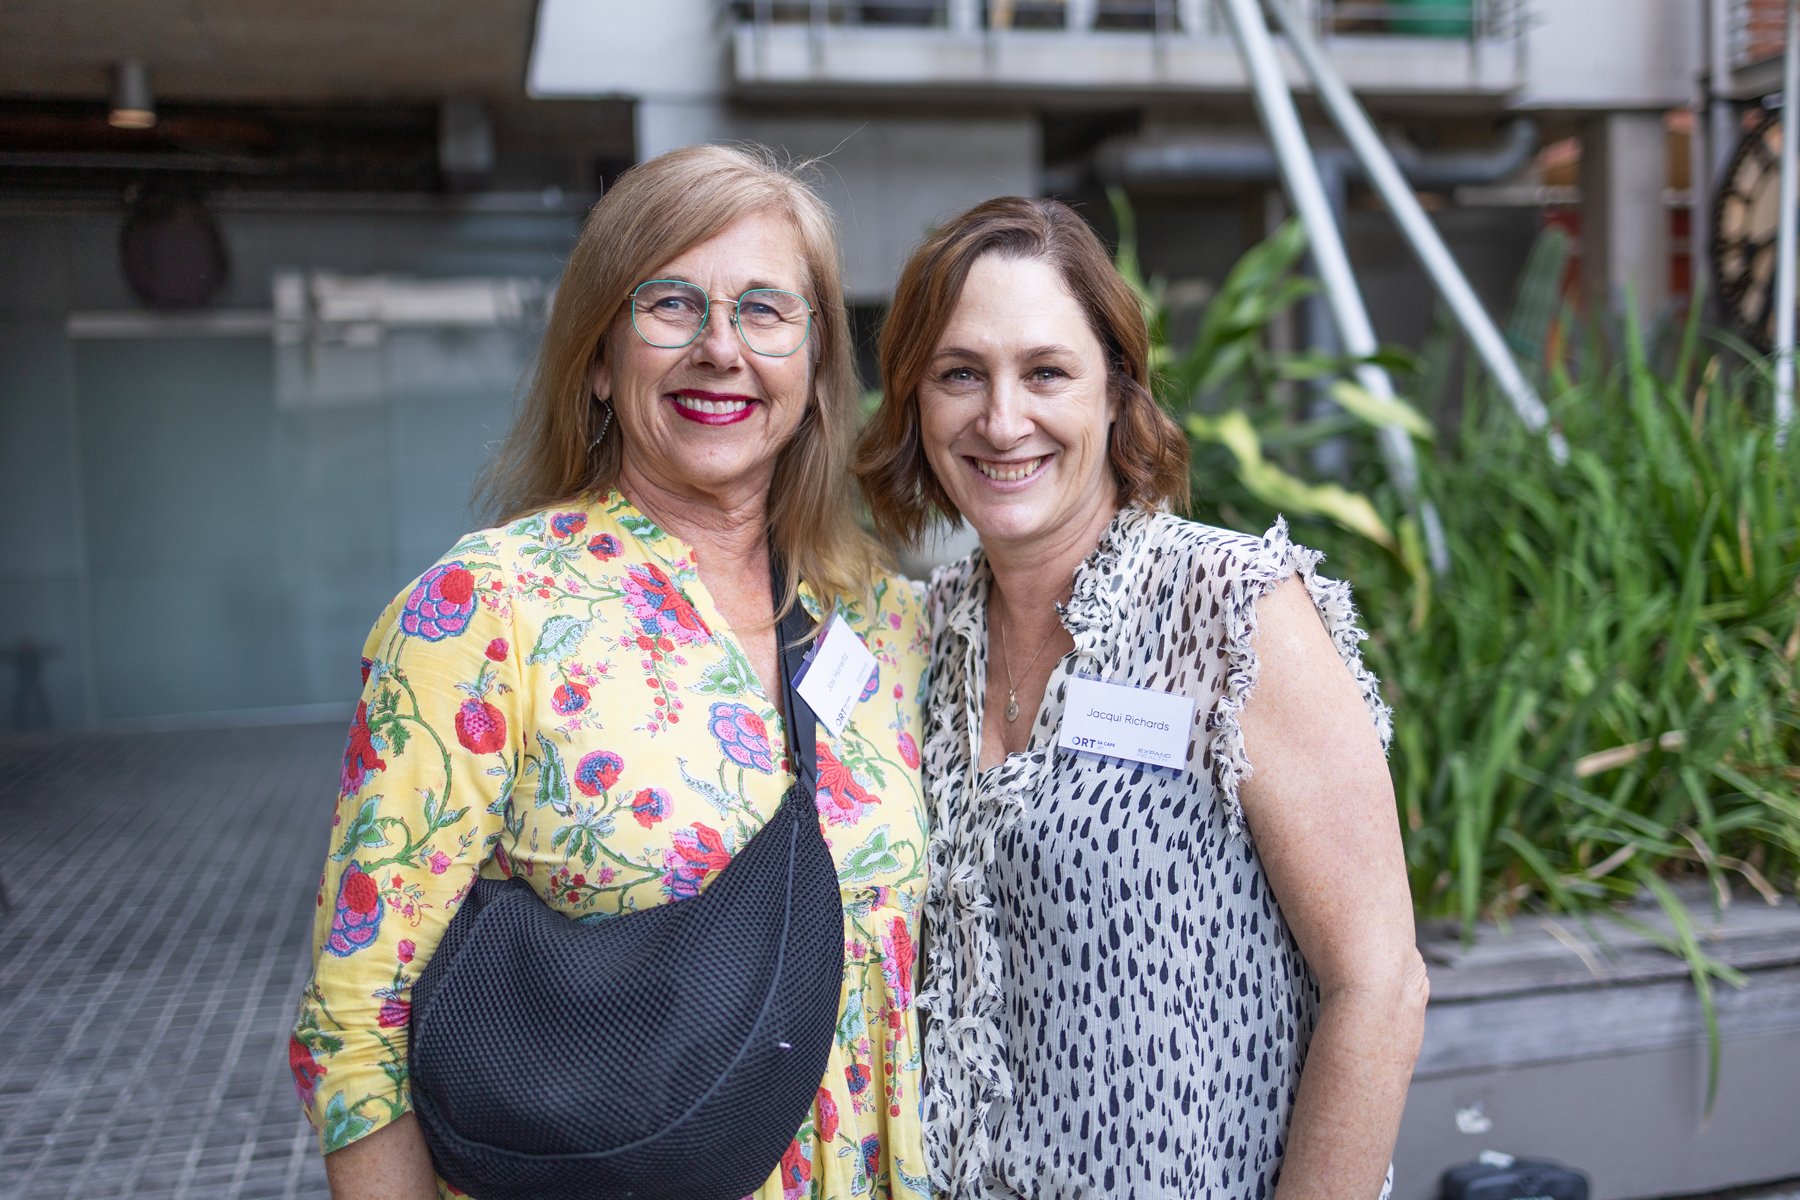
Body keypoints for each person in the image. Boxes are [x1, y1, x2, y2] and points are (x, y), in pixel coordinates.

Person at [292, 143, 934, 1200]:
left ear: (817, 370)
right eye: (671, 305)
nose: (720, 348)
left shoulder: (873, 611)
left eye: (765, 311)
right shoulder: (485, 611)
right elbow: (355, 1029)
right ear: (599, 358)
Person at [855, 197, 1427, 1199]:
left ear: (1117, 392)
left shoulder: (1232, 607)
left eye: (1046, 372)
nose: (1002, 419)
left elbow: (1379, 985)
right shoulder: (920, 636)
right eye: (960, 374)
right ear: (915, 401)